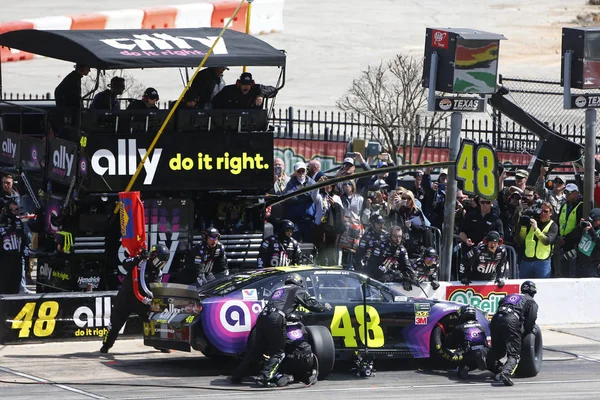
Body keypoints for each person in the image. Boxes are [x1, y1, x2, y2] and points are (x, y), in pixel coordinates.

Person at [231, 273, 332, 386]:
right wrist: (323, 308)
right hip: (275, 318)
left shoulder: (279, 290)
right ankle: (265, 377)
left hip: (262, 317)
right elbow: (310, 303)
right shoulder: (296, 289)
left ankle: (237, 375)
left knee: (256, 350)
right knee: (279, 352)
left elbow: (281, 304)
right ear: (298, 282)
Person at [100, 244, 170, 353]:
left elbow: (154, 289)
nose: (161, 264)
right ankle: (106, 345)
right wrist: (139, 258)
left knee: (154, 321)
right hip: (126, 298)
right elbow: (125, 264)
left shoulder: (158, 273)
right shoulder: (141, 262)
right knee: (115, 325)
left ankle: (159, 343)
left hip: (142, 301)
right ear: (154, 255)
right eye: (160, 260)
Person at [489, 280, 539, 386]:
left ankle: (497, 368)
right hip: (511, 320)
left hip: (496, 319)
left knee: (497, 351)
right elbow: (531, 321)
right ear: (533, 292)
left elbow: (499, 305)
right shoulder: (531, 301)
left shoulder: (509, 296)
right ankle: (505, 373)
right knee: (514, 353)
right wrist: (528, 331)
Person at [514, 201, 557, 278]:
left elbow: (546, 241)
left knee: (543, 287)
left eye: (546, 211)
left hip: (543, 262)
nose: (543, 214)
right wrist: (523, 226)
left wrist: (536, 228)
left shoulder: (553, 225)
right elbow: (520, 239)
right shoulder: (531, 221)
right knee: (523, 285)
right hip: (527, 260)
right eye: (541, 211)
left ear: (550, 213)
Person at [275, 313, 319, 387]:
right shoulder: (302, 326)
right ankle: (310, 374)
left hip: (291, 361)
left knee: (272, 359)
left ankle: (284, 376)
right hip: (308, 359)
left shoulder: (281, 328)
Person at [445, 305, 489, 379]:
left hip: (469, 354)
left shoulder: (459, 328)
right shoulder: (481, 326)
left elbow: (450, 344)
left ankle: (464, 368)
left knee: (461, 369)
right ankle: (498, 369)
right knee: (493, 363)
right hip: (485, 352)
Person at [0, 200, 30, 294]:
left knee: (15, 291)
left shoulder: (19, 223)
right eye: (12, 210)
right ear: (7, 210)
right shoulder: (1, 223)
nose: (15, 212)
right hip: (4, 263)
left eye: (17, 209)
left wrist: (27, 259)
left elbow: (24, 242)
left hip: (17, 262)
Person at [212, 72, 277, 110]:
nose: (246, 87)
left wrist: (260, 94)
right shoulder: (229, 90)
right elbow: (215, 101)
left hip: (252, 122)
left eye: (248, 84)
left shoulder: (257, 89)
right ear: (239, 84)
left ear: (252, 84)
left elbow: (274, 90)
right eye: (243, 84)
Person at [570, 207, 600, 277]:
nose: (592, 222)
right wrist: (580, 226)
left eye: (594, 220)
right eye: (590, 220)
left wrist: (592, 231)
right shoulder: (586, 225)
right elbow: (573, 236)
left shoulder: (593, 229)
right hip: (580, 261)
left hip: (593, 264)